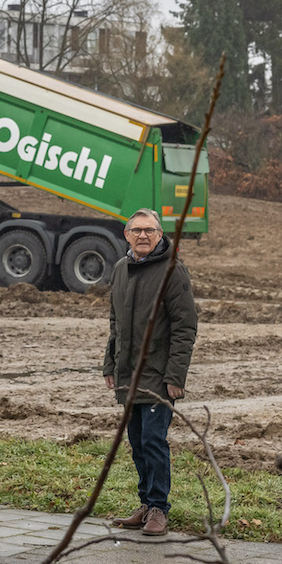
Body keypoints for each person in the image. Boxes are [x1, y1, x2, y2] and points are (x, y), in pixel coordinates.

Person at [104, 208, 198, 536]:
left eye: (150, 230)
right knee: (136, 441)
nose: (143, 236)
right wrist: (109, 365)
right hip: (128, 373)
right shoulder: (119, 270)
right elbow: (116, 323)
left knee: (154, 439)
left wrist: (176, 376)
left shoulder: (173, 272)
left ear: (160, 236)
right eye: (137, 230)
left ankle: (159, 507)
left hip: (159, 375)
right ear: (126, 235)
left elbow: (186, 327)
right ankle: (145, 503)